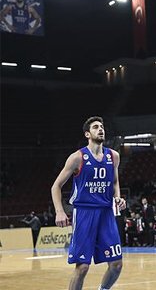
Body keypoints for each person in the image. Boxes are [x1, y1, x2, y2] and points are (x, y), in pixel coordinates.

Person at [50, 116, 126, 290]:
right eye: (96, 127)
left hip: (106, 212)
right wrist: (60, 211)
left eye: (102, 127)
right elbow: (56, 186)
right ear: (87, 134)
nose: (101, 129)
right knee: (83, 267)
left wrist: (118, 197)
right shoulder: (77, 157)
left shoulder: (113, 156)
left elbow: (114, 181)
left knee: (116, 265)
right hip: (84, 212)